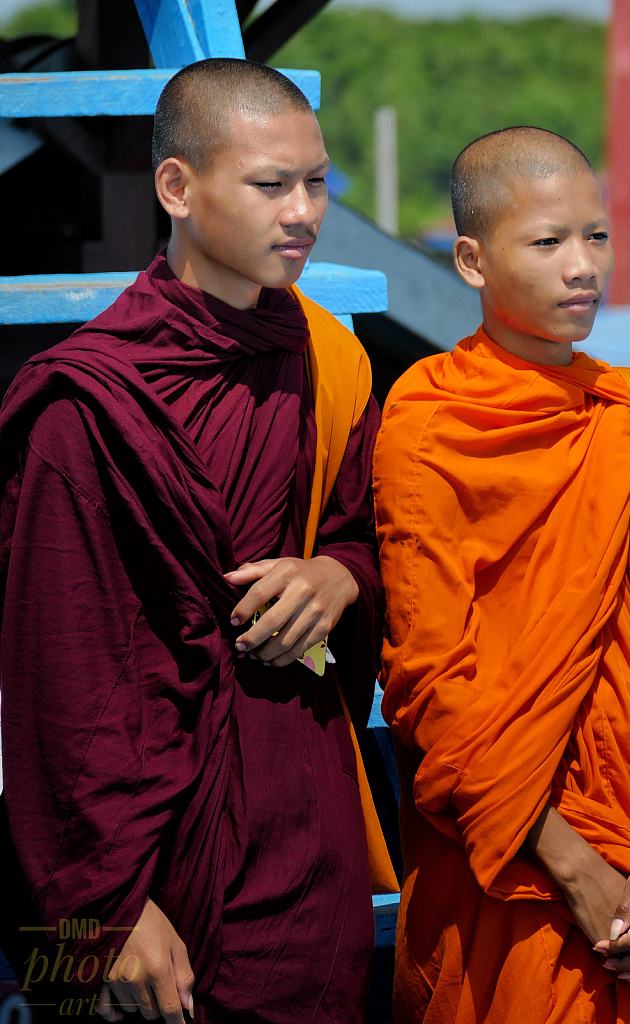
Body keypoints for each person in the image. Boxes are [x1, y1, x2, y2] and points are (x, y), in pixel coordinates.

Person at [0, 58, 394, 1024]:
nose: (303, 211)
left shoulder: (332, 361)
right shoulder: (82, 399)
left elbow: (371, 538)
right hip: (131, 847)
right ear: (177, 187)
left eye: (318, 181)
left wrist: (337, 578)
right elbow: (59, 677)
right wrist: (102, 910)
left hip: (301, 821)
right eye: (271, 184)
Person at [372, 126, 630, 1023]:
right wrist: (572, 868)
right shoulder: (429, 423)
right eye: (547, 243)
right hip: (511, 854)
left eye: (596, 237)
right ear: (470, 260)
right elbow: (429, 682)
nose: (583, 268)